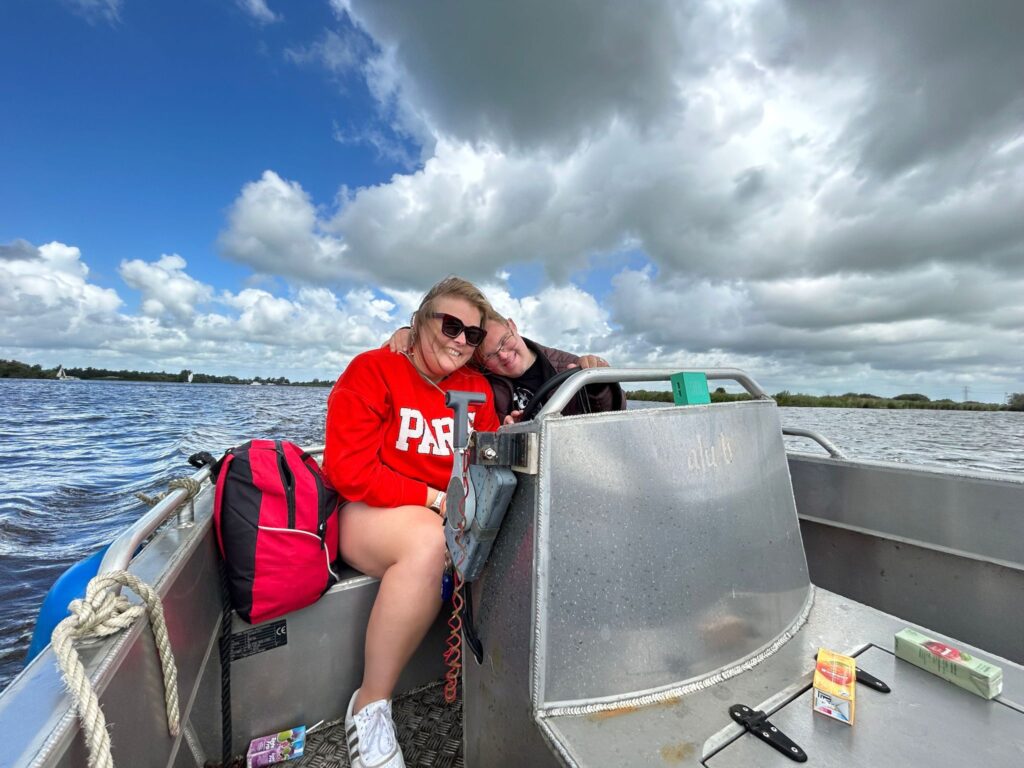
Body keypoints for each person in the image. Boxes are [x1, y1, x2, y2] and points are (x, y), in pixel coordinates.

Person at [322, 277, 500, 768]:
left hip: (444, 514)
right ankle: (369, 705)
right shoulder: (373, 370)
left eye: (473, 335)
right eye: (449, 325)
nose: (461, 340)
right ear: (419, 323)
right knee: (426, 541)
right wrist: (431, 499)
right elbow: (348, 470)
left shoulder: (478, 388)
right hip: (367, 512)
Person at [387, 310, 625, 423]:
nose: (503, 355)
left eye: (504, 341)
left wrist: (599, 383)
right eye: (490, 354)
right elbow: (442, 354)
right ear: (479, 361)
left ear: (512, 325)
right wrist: (410, 333)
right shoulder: (480, 377)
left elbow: (612, 416)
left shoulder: (568, 366)